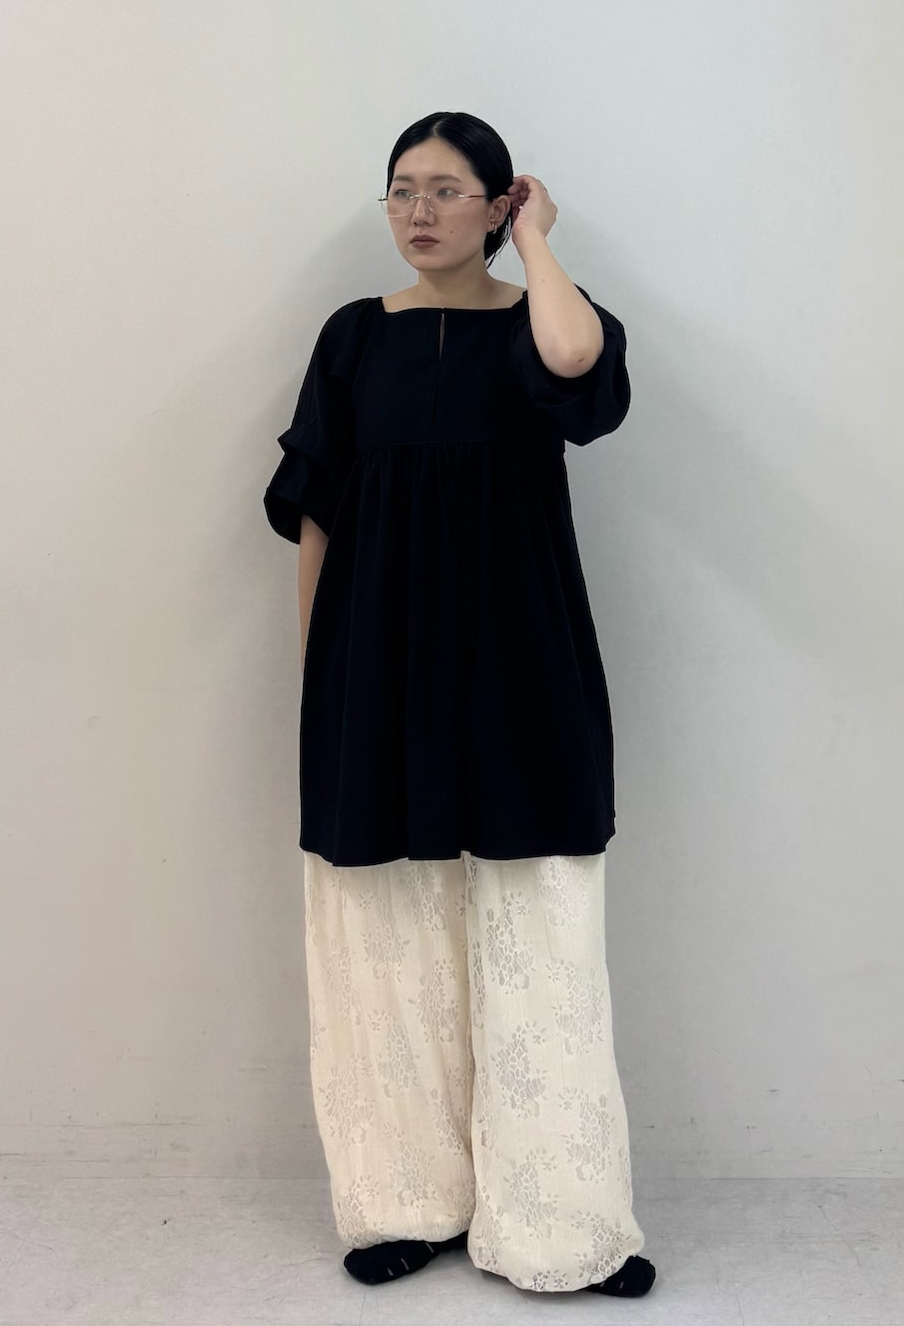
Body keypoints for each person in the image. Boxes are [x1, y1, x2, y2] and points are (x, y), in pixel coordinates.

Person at [263, 111, 656, 1299]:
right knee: (383, 932)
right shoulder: (351, 338)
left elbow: (577, 364)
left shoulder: (542, 323)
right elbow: (317, 513)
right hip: (371, 667)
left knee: (540, 930)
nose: (418, 210)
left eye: (446, 189)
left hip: (522, 661)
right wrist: (318, 674)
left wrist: (536, 243)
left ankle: (561, 1223)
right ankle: (401, 1201)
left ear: (497, 202)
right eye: (400, 189)